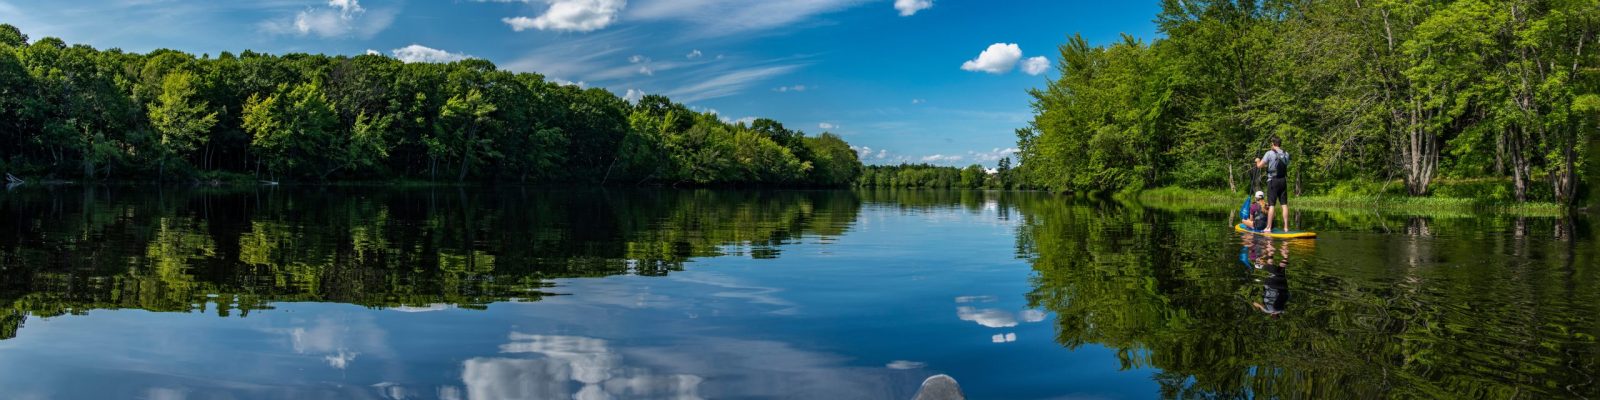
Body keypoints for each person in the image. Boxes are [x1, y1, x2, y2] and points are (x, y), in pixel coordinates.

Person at [1254, 137, 1290, 232]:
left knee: (1272, 205)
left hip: (1273, 181)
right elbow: (1279, 165)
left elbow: (1260, 165)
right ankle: (1286, 227)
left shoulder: (1269, 153)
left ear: (1273, 144)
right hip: (1283, 181)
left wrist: (1257, 160)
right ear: (1280, 144)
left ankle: (1268, 227)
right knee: (1284, 204)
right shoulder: (1286, 154)